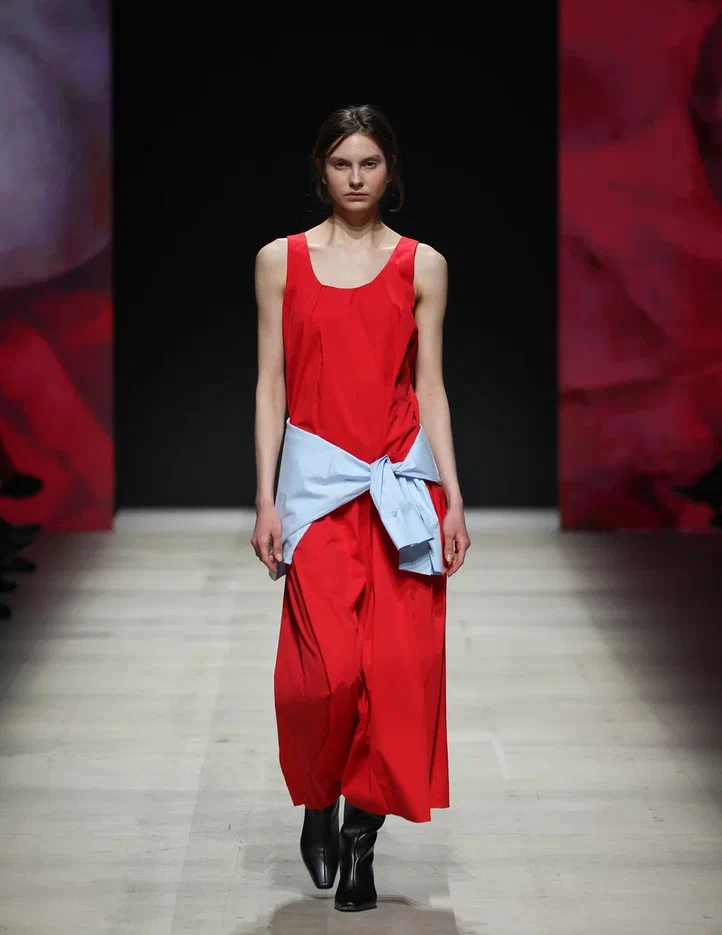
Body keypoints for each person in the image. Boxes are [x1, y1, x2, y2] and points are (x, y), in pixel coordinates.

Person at [251, 104, 470, 913]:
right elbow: (270, 384)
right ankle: (319, 796)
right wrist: (265, 496)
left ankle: (360, 843)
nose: (355, 177)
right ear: (321, 170)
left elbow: (430, 387)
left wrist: (454, 497)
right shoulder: (280, 260)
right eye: (341, 163)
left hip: (401, 494)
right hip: (316, 495)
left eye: (369, 163)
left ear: (390, 171)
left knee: (396, 677)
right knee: (323, 677)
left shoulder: (423, 264)